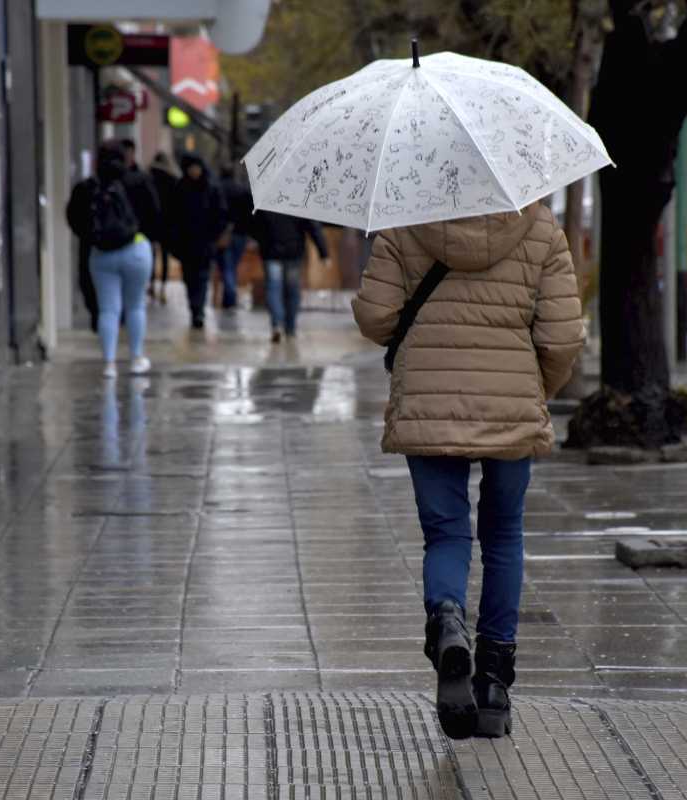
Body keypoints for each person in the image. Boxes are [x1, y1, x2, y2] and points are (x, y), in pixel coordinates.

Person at [351, 206, 584, 740]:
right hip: (510, 404)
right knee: (503, 536)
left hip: (430, 401)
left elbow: (376, 317)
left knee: (446, 534)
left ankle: (448, 620)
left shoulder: (404, 220)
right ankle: (495, 685)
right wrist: (533, 390)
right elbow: (562, 337)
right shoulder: (542, 227)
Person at [67, 140, 155, 377]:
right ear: (126, 158)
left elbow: (73, 219)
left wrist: (93, 238)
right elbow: (155, 214)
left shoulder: (86, 188)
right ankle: (136, 358)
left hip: (101, 254)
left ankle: (109, 364)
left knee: (108, 309)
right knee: (136, 305)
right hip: (136, 249)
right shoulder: (138, 182)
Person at [167, 152, 228, 329]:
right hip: (186, 243)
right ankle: (194, 308)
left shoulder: (211, 188)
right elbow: (172, 217)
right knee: (189, 277)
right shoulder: (180, 188)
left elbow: (221, 214)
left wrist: (215, 235)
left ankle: (199, 310)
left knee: (201, 277)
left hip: (205, 243)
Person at [250, 210, 330, 342]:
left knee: (273, 289)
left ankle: (277, 324)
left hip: (270, 252)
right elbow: (313, 226)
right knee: (292, 291)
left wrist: (262, 241)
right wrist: (323, 252)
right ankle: (290, 328)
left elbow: (254, 226)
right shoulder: (298, 202)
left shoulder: (266, 202)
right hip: (294, 252)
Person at [215, 165, 253, 310]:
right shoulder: (242, 190)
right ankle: (229, 298)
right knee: (232, 266)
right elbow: (250, 213)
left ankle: (230, 297)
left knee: (226, 266)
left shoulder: (218, 189)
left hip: (223, 233)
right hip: (240, 234)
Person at [148, 152, 179, 304]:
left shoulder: (149, 178)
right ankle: (163, 288)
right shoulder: (172, 180)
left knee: (151, 255)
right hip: (167, 223)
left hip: (152, 222)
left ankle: (152, 284)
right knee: (164, 256)